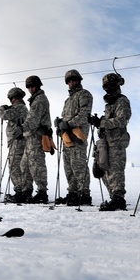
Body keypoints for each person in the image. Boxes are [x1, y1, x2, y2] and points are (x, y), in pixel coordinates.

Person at [89, 72, 131, 211]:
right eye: (106, 87)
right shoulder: (109, 104)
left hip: (116, 141)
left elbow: (121, 120)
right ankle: (114, 197)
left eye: (111, 86)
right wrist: (98, 123)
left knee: (115, 170)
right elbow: (108, 122)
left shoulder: (122, 101)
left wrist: (101, 122)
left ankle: (118, 198)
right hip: (106, 141)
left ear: (117, 85)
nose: (108, 89)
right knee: (103, 169)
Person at [55, 69, 93, 206]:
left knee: (79, 166)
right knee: (69, 167)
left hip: (78, 136)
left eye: (74, 79)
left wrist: (68, 124)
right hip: (67, 137)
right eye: (69, 80)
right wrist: (60, 125)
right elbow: (65, 117)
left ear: (79, 80)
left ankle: (84, 194)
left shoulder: (84, 94)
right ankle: (73, 193)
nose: (72, 82)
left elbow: (84, 114)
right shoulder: (68, 100)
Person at [20, 75, 53, 204]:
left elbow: (33, 120)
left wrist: (21, 128)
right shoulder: (35, 99)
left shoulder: (39, 100)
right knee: (25, 165)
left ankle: (42, 192)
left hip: (37, 136)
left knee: (37, 164)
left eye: (33, 86)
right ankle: (26, 191)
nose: (31, 89)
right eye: (28, 87)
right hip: (31, 136)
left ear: (38, 86)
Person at [0, 87, 31, 203]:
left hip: (18, 141)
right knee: (19, 166)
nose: (13, 101)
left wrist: (1, 108)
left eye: (13, 98)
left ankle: (20, 191)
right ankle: (24, 190)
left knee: (14, 166)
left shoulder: (19, 107)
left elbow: (3, 115)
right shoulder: (21, 108)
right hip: (18, 140)